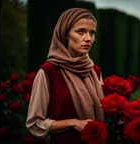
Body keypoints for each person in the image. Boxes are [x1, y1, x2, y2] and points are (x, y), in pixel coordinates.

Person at [26, 8, 105, 144]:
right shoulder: (48, 71)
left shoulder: (95, 71)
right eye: (80, 32)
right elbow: (34, 124)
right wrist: (73, 123)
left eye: (92, 33)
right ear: (65, 33)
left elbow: (105, 111)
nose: (88, 39)